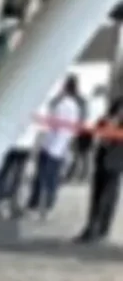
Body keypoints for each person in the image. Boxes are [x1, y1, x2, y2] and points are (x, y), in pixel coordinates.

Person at [28, 74, 82, 218]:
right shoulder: (64, 104)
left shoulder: (68, 105)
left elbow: (63, 128)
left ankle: (42, 206)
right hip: (52, 144)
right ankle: (40, 205)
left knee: (47, 177)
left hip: (55, 146)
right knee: (44, 177)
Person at [76, 96, 123, 244]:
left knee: (107, 198)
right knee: (97, 196)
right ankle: (91, 227)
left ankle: (101, 229)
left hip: (115, 162)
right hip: (102, 159)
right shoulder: (108, 114)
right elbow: (95, 129)